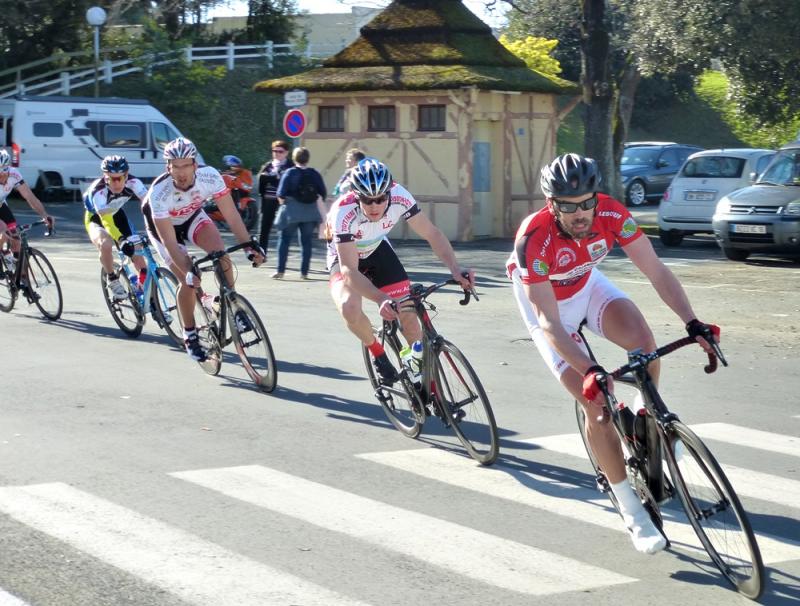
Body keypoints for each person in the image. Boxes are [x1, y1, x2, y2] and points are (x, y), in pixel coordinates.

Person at [506, 153, 719, 555]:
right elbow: (549, 322)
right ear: (551, 203)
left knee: (645, 343)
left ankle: (646, 418)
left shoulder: (612, 213)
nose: (580, 213)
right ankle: (631, 510)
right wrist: (590, 370)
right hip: (549, 311)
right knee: (597, 405)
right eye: (568, 206)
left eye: (587, 202)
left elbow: (656, 270)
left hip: (587, 286)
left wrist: (693, 322)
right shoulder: (533, 238)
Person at [328, 157, 473, 383]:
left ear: (389, 193)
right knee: (349, 307)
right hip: (345, 256)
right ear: (356, 196)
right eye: (367, 200)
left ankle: (422, 379)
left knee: (409, 318)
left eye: (380, 199)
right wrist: (380, 298)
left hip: (377, 249)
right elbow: (349, 270)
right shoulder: (343, 212)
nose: (375, 206)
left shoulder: (400, 196)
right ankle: (377, 352)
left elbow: (432, 233)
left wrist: (455, 268)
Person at [142, 138, 265, 362]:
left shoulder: (210, 176)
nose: (181, 172)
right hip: (164, 230)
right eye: (175, 166)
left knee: (220, 253)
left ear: (195, 165)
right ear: (168, 167)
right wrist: (188, 269)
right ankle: (189, 334)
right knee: (188, 280)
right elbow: (170, 242)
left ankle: (234, 306)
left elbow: (231, 215)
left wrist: (249, 246)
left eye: (185, 165)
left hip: (192, 217)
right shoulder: (159, 193)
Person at [83, 155, 148, 301]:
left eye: (120, 178)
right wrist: (121, 240)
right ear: (105, 176)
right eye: (112, 178)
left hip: (118, 215)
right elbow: (106, 221)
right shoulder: (98, 191)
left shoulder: (134, 183)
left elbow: (150, 207)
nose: (116, 182)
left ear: (127, 175)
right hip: (97, 219)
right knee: (106, 244)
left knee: (139, 258)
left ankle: (143, 292)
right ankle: (112, 278)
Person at [272, 147, 326, 280]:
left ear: (294, 158)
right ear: (307, 159)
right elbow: (323, 193)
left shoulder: (289, 173)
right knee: (306, 242)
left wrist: (284, 205)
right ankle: (304, 273)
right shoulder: (314, 173)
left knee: (284, 239)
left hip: (291, 211)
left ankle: (280, 271)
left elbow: (280, 194)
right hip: (310, 212)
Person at [0, 148, 54, 273]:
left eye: (4, 172)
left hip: (1, 204)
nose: (2, 176)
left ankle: (20, 277)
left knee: (16, 238)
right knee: (3, 229)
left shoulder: (14, 174)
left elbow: (30, 196)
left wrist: (44, 215)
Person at [256, 140, 293, 254]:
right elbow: (261, 180)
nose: (277, 153)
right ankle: (261, 254)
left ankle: (282, 257)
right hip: (268, 199)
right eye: (274, 151)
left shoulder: (291, 166)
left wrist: (272, 179)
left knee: (284, 229)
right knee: (264, 228)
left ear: (286, 152)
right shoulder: (268, 165)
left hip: (284, 201)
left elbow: (288, 182)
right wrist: (270, 178)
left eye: (280, 151)